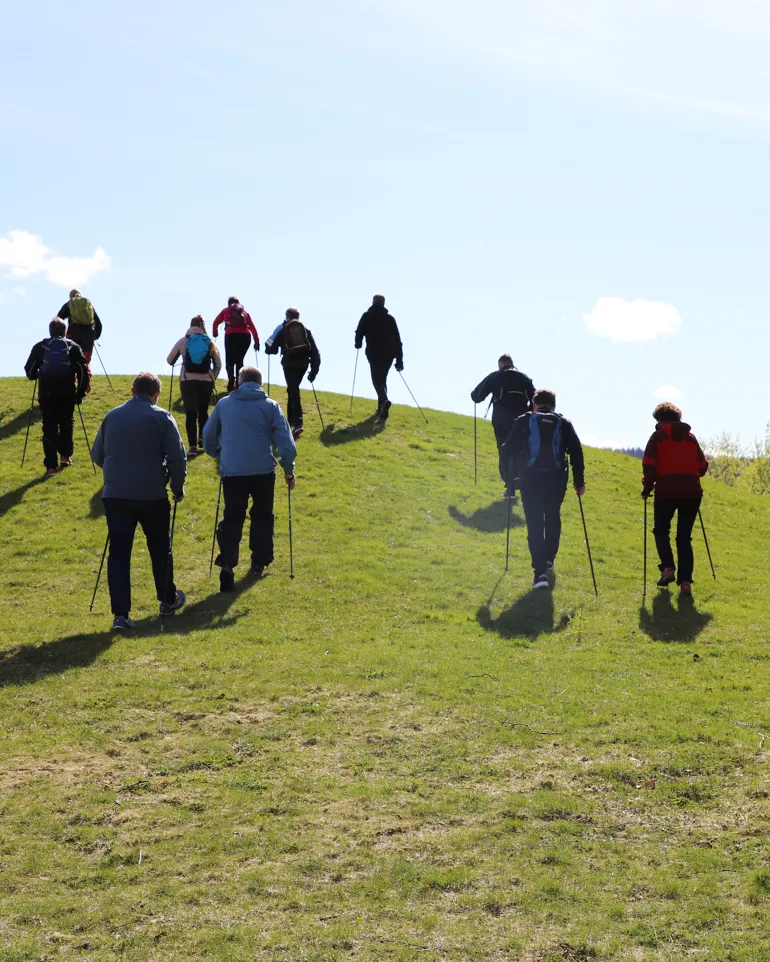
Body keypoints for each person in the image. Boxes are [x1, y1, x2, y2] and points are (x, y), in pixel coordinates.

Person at [91, 372, 187, 631]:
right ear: (156, 394)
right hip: (152, 494)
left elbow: (97, 455)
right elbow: (177, 457)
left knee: (119, 553)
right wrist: (177, 487)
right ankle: (167, 599)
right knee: (159, 547)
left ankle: (121, 615)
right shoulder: (162, 417)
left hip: (116, 495)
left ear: (132, 391)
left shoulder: (112, 416)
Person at [202, 366, 296, 592]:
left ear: (240, 381)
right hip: (263, 470)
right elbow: (286, 442)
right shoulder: (270, 406)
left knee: (233, 515)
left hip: (233, 470)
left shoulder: (225, 404)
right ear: (260, 383)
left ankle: (227, 563)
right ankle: (260, 560)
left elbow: (207, 434)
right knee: (262, 515)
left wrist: (217, 452)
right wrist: (288, 468)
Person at [502, 388, 585, 590]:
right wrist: (579, 481)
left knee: (535, 522)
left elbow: (507, 450)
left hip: (530, 479)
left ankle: (539, 574)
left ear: (534, 403)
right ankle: (549, 557)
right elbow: (576, 452)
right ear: (554, 405)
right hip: (556, 480)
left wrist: (511, 477)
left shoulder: (523, 421)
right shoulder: (563, 423)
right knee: (553, 516)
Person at [642, 402, 709, 596]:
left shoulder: (657, 437)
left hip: (666, 491)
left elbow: (649, 466)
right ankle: (686, 582)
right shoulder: (690, 438)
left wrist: (647, 489)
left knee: (661, 530)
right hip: (691, 492)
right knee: (684, 538)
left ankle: (668, 568)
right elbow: (703, 467)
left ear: (659, 420)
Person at [24, 319, 89, 476]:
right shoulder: (73, 347)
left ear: (50, 331)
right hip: (67, 392)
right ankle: (65, 456)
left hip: (46, 393)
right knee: (67, 423)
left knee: (49, 427)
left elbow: (29, 370)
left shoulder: (40, 347)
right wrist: (80, 393)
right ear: (65, 331)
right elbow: (83, 371)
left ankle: (51, 467)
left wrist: (37, 375)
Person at [471, 355, 535, 497]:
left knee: (504, 449)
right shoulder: (525, 379)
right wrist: (529, 412)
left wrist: (475, 395)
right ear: (512, 364)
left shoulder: (495, 377)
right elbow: (535, 399)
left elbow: (477, 396)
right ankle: (518, 478)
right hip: (521, 419)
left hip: (502, 420)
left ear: (500, 364)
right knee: (520, 449)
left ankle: (510, 486)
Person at [166, 315, 222, 458]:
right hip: (206, 381)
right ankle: (202, 439)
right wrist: (212, 377)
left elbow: (170, 360)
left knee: (190, 413)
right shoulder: (209, 342)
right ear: (203, 326)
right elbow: (218, 363)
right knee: (203, 410)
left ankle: (192, 447)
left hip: (187, 380)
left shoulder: (183, 341)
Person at [264, 307, 321, 439]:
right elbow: (315, 352)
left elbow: (270, 347)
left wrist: (270, 350)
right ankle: (291, 421)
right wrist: (314, 371)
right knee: (292, 389)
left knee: (293, 389)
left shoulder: (283, 328)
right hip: (303, 365)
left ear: (286, 316)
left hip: (289, 364)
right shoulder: (305, 330)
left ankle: (298, 422)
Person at [354, 294, 403, 420]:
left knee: (377, 379)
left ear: (373, 302)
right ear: (383, 303)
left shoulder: (367, 316)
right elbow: (397, 340)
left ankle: (384, 401)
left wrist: (358, 343)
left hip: (374, 352)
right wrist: (399, 360)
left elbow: (359, 331)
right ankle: (381, 407)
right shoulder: (390, 319)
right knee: (382, 378)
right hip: (389, 354)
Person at [212, 296, 259, 391]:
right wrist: (256, 342)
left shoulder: (226, 311)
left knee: (229, 360)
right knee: (239, 360)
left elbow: (216, 322)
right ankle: (239, 381)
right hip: (245, 337)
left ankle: (231, 377)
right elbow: (252, 327)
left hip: (231, 335)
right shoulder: (245, 313)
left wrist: (215, 333)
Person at [56, 289, 102, 381]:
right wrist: (94, 337)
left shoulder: (69, 304)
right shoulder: (88, 305)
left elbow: (58, 320)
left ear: (70, 297)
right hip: (88, 337)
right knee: (85, 360)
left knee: (72, 360)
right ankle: (86, 381)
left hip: (73, 335)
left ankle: (72, 384)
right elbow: (99, 324)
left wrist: (60, 336)